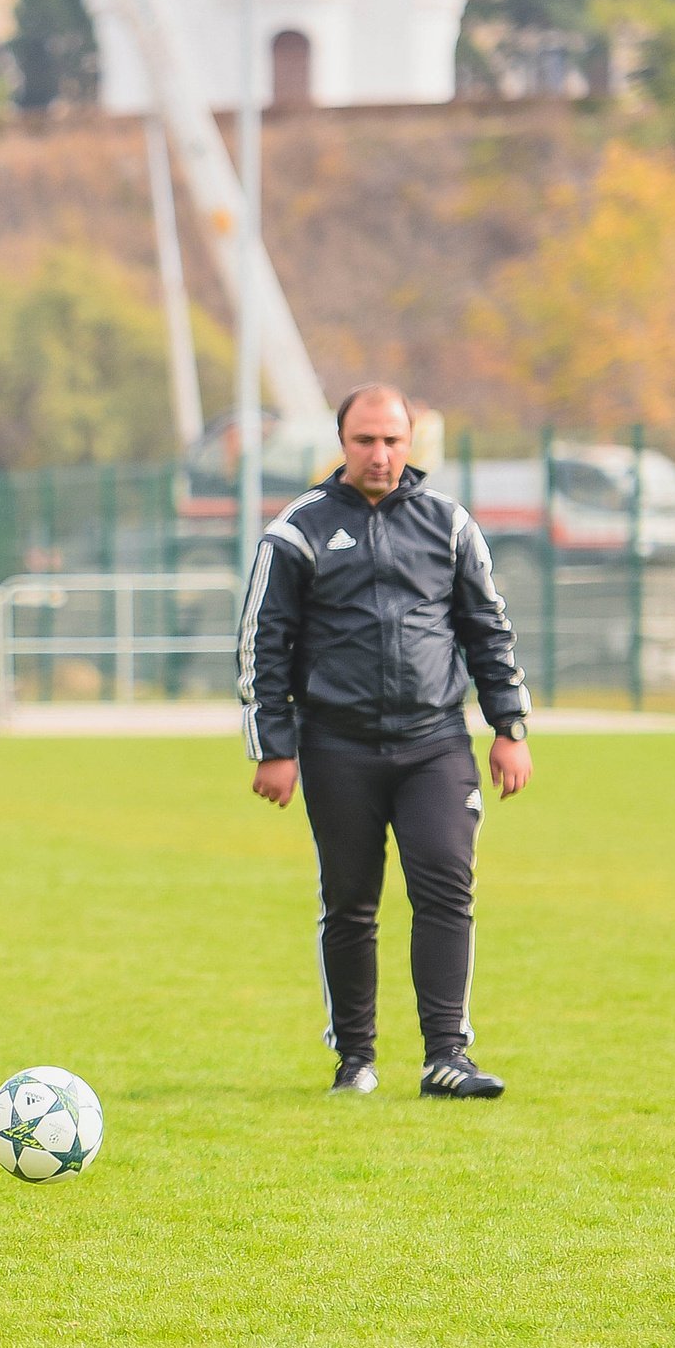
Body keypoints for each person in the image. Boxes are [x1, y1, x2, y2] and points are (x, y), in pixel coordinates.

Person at [241, 383, 532, 1101]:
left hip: (434, 742)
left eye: (393, 441)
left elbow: (487, 631)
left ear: (412, 443)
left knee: (445, 884)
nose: (380, 454)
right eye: (366, 440)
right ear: (342, 443)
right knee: (351, 901)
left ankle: (447, 1057)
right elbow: (262, 644)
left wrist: (509, 726)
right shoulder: (297, 529)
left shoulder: (449, 524)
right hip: (336, 746)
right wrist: (272, 745)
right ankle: (355, 1059)